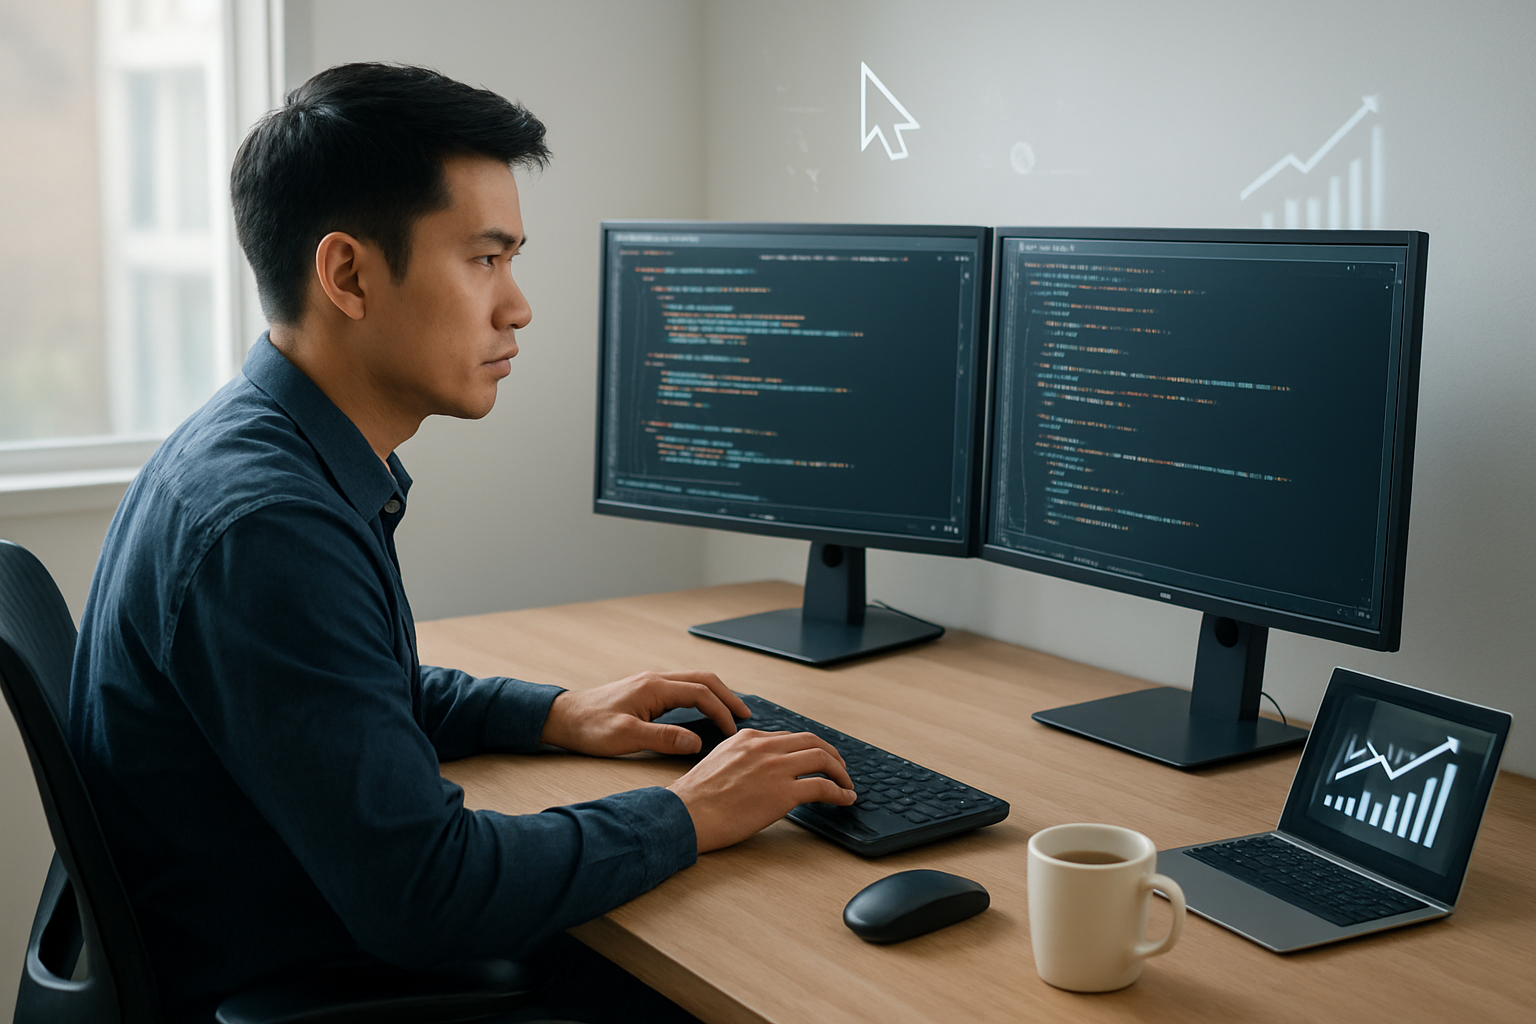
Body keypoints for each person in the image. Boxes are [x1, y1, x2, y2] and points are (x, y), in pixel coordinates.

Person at [69, 62, 856, 1024]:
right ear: (348, 275)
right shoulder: (270, 525)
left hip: (273, 933)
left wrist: (555, 714)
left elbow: (352, 695)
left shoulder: (256, 448)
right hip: (307, 980)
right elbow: (429, 895)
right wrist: (691, 812)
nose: (517, 306)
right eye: (485, 260)